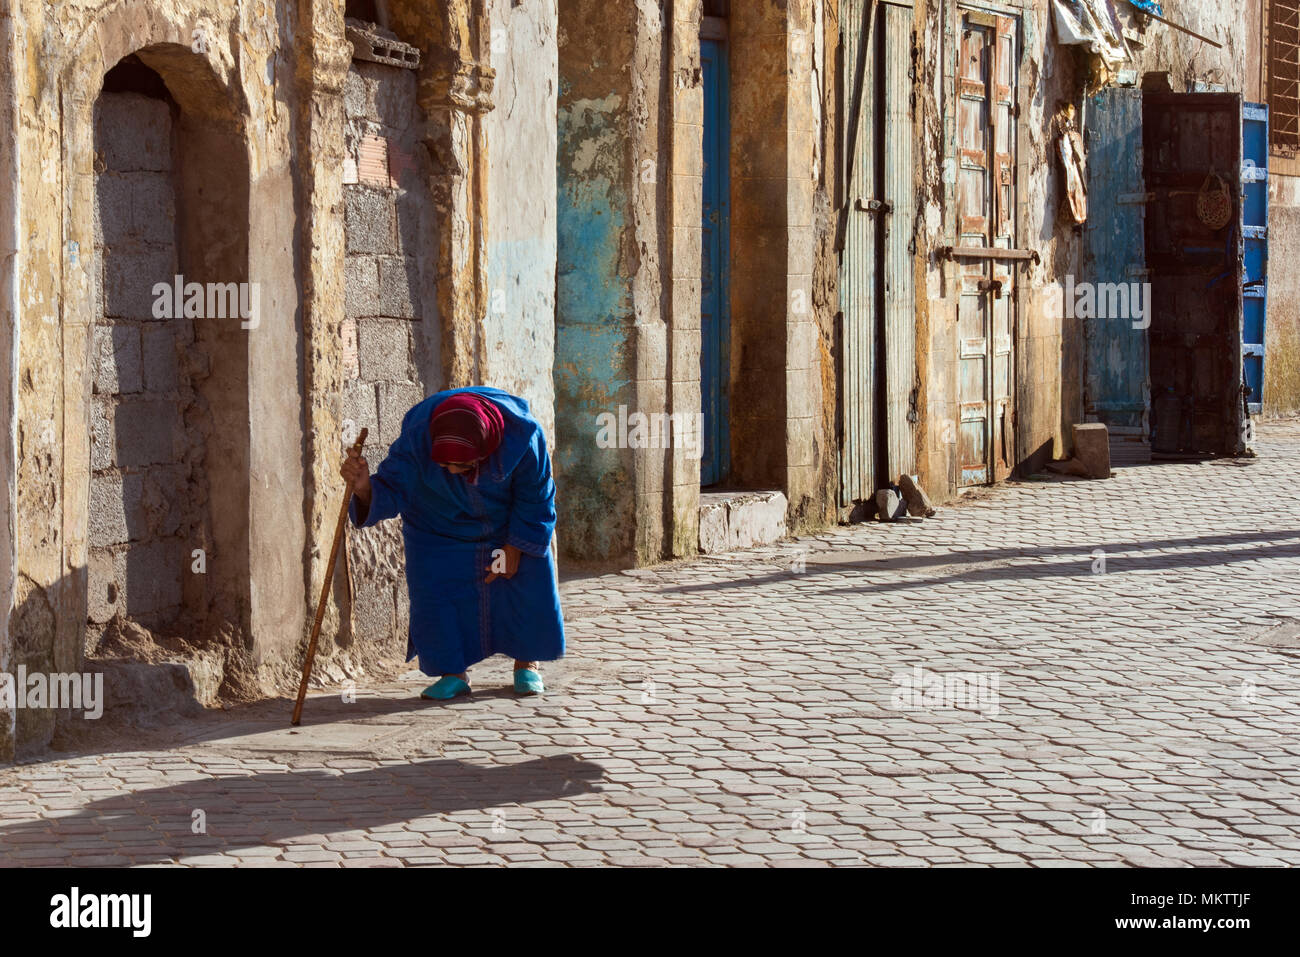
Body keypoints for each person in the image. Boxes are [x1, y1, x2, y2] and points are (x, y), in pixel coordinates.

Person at [340, 386, 565, 699]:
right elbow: (393, 485)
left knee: (523, 580)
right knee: (436, 590)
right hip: (437, 526)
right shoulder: (418, 437)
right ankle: (453, 672)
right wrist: (364, 487)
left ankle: (527, 662)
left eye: (464, 466)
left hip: (505, 525)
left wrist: (514, 547)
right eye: (446, 467)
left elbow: (536, 496)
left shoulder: (524, 438)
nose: (454, 472)